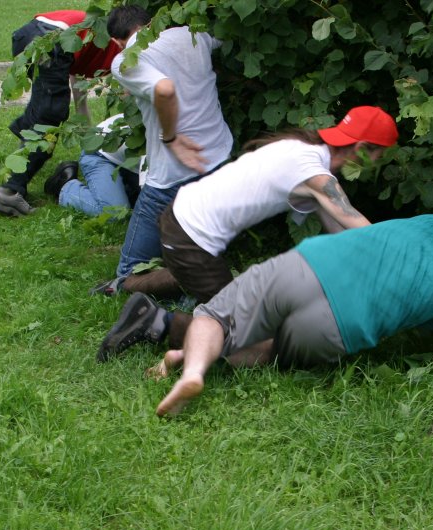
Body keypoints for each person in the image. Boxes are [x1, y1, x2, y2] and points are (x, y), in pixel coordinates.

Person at [95, 106, 398, 361]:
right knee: (241, 334)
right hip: (191, 238)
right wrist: (398, 261)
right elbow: (359, 227)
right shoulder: (314, 173)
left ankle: (121, 285)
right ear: (361, 148)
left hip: (180, 218)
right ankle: (157, 322)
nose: (377, 164)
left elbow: (338, 230)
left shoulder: (303, 150)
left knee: (190, 272)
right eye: (379, 156)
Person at [146, 214, 433, 416]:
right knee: (274, 349)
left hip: (312, 262)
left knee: (217, 315)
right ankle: (195, 357)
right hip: (341, 321)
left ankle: (189, 363)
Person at [92, 5, 234, 296]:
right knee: (196, 232)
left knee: (130, 273)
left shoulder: (126, 60)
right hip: (219, 159)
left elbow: (164, 89)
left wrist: (170, 138)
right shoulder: (192, 35)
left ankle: (195, 277)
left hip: (173, 175)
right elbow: (227, 36)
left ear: (117, 41)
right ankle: (203, 270)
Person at [0, 9, 123, 217]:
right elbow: (129, 94)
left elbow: (77, 77)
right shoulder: (124, 53)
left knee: (43, 110)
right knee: (49, 118)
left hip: (29, 35)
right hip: (53, 40)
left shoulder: (103, 38)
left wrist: (85, 126)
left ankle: (22, 157)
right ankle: (10, 191)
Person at [43, 113, 142, 217]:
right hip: (100, 153)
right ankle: (65, 186)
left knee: (135, 205)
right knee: (115, 213)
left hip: (127, 163)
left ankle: (120, 191)